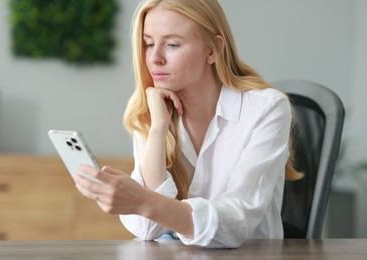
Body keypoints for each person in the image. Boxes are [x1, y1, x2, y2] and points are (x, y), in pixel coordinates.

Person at [74, 0, 302, 248]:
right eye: (149, 43)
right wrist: (159, 128)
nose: (155, 58)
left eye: (172, 44)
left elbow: (236, 222)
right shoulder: (151, 109)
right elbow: (147, 228)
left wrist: (144, 202)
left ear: (213, 50)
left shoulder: (265, 108)